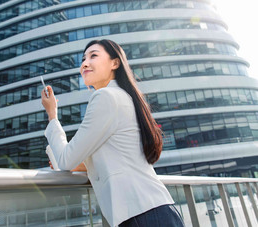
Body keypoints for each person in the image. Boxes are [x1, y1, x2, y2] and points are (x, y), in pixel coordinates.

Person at [41, 39, 184, 227]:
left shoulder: (105, 97)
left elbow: (66, 160)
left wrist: (52, 115)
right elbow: (116, 155)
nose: (84, 63)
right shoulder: (122, 96)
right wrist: (79, 164)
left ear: (115, 63)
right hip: (151, 212)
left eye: (93, 55)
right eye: (83, 58)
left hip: (144, 216)